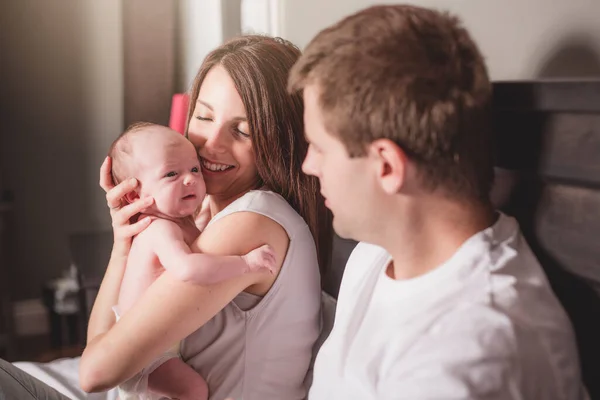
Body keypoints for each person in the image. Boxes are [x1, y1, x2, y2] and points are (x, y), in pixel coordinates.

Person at [0, 35, 331, 400]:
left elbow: (95, 370)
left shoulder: (251, 222)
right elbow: (100, 346)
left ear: (279, 141)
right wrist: (126, 243)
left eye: (242, 130)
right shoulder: (204, 215)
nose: (210, 144)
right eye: (203, 116)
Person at [288, 5, 587, 400]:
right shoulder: (375, 254)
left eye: (319, 147)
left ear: (387, 166)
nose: (308, 165)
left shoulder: (471, 355)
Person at [107, 122, 277, 400]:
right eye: (171, 173)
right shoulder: (159, 228)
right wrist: (246, 263)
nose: (190, 180)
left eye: (195, 169)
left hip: (154, 342)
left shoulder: (180, 222)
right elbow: (187, 268)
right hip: (139, 347)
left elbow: (199, 234)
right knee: (193, 390)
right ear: (135, 196)